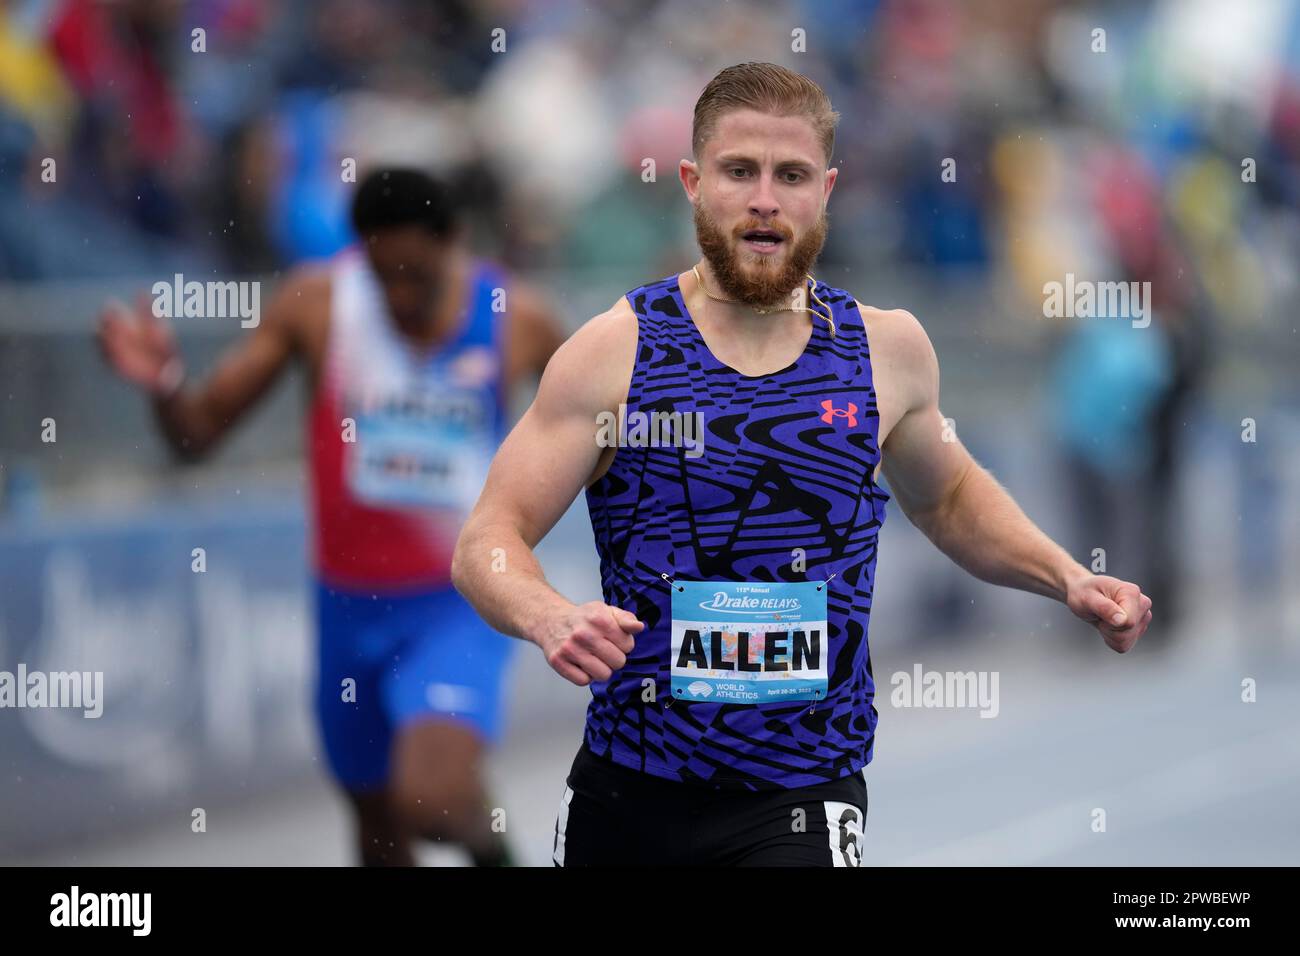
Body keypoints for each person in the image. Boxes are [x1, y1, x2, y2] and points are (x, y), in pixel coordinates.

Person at [451, 62, 1153, 867]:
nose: (764, 199)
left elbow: (950, 495)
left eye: (790, 176)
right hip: (629, 793)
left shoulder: (886, 352)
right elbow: (488, 540)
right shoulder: (614, 355)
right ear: (691, 181)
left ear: (827, 189)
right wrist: (548, 616)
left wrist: (1064, 576)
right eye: (738, 171)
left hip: (802, 797)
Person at [97, 167, 565, 866]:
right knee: (378, 827)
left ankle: (496, 851)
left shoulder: (518, 321)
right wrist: (164, 384)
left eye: (418, 276)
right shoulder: (316, 306)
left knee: (432, 798)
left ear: (454, 246)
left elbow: (603, 441)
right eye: (384, 278)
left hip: (457, 600)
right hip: (345, 608)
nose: (400, 296)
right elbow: (196, 436)